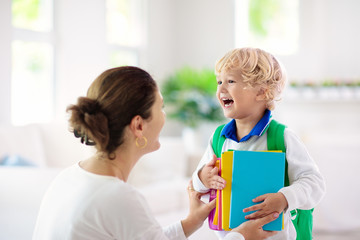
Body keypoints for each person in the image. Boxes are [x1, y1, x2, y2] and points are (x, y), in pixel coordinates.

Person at [32, 66, 279, 240]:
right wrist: (240, 237)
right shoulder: (118, 196)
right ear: (139, 125)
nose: (164, 116)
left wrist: (190, 222)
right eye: (160, 107)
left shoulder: (68, 178)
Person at [191, 48, 326, 239]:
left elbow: (315, 183)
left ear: (262, 92)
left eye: (230, 81)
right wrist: (202, 178)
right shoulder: (218, 138)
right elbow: (197, 187)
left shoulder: (282, 137)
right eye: (219, 81)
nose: (221, 89)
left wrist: (284, 198)